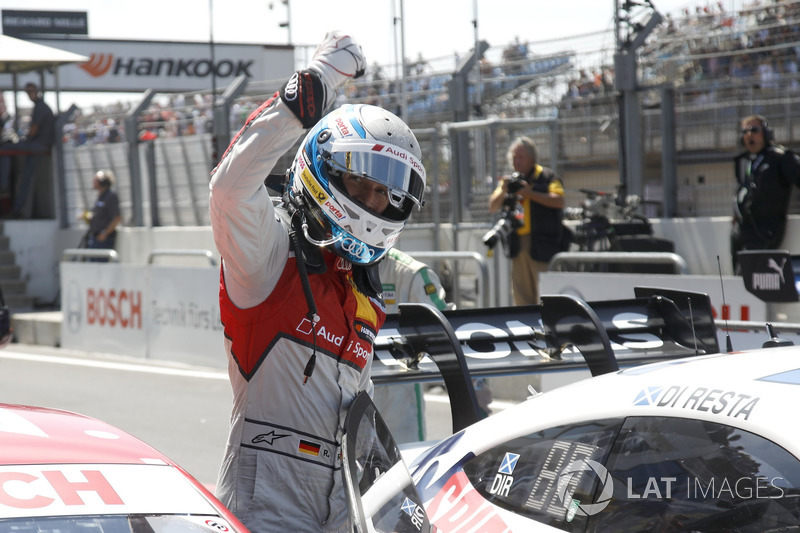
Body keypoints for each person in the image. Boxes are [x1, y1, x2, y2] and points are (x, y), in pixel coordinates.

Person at [209, 31, 426, 532]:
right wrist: (316, 84)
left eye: (384, 194)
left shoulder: (367, 298)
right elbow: (229, 189)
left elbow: (359, 430)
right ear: (323, 169)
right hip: (261, 517)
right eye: (360, 183)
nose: (373, 204)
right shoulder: (267, 260)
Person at [374, 248, 492, 442]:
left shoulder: (411, 274)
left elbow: (449, 333)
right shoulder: (331, 267)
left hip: (397, 398)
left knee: (403, 465)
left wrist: (475, 387)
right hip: (346, 391)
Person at [488, 136, 566, 305]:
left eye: (520, 157)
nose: (516, 161)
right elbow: (492, 206)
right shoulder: (511, 180)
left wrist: (528, 193)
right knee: (522, 297)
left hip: (543, 245)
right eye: (514, 157)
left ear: (532, 158)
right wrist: (504, 189)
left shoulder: (547, 176)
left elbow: (559, 200)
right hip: (518, 245)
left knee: (547, 296)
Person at [731, 115, 800, 273]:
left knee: (747, 274)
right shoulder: (744, 161)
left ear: (766, 133)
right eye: (745, 131)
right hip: (743, 229)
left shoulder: (780, 158)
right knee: (735, 276)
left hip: (765, 230)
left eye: (754, 130)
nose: (749, 135)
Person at [4, 83, 55, 219]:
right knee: (25, 177)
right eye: (27, 92)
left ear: (36, 91)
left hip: (38, 146)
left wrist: (24, 140)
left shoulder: (40, 107)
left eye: (31, 91)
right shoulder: (40, 106)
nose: (29, 94)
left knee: (7, 147)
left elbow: (33, 131)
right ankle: (17, 209)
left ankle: (17, 208)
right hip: (38, 146)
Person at [83, 169, 122, 255]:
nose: (93, 181)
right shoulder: (101, 196)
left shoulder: (110, 196)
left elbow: (117, 217)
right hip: (94, 236)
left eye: (96, 180)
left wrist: (104, 233)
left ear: (103, 182)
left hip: (103, 239)